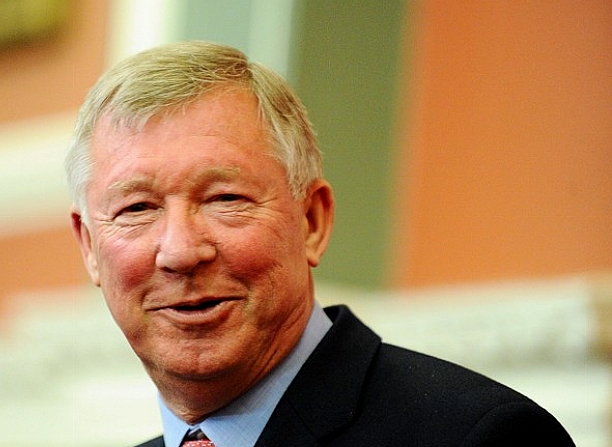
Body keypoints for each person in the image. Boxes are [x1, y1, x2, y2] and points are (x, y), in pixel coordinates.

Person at [65, 41, 574, 447]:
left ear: (311, 221)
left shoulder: (480, 436)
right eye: (137, 208)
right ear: (90, 247)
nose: (179, 251)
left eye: (224, 198)